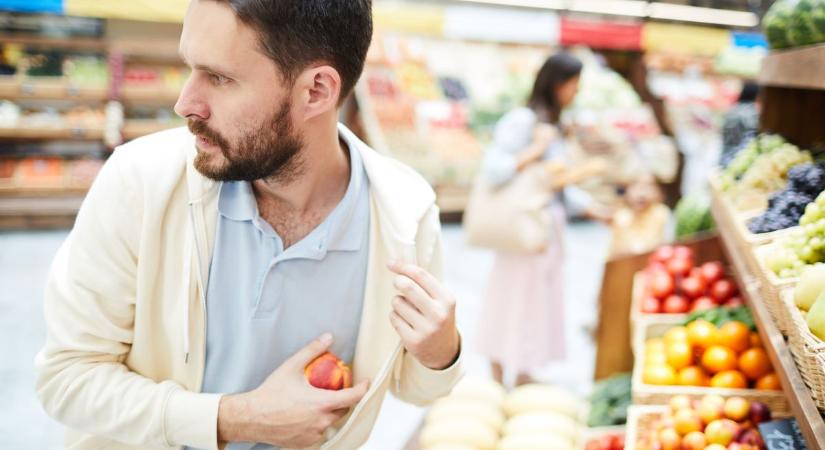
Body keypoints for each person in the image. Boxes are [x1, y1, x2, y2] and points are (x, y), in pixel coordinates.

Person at [34, 2, 463, 450]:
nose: (186, 103)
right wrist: (234, 419)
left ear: (316, 91)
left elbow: (416, 389)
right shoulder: (139, 183)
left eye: (219, 78)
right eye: (190, 69)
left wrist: (442, 352)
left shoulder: (404, 216)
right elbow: (67, 378)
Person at [475, 53, 607, 387]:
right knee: (510, 299)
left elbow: (554, 184)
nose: (576, 92)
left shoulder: (552, 124)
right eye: (574, 84)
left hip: (544, 230)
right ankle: (497, 372)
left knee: (534, 302)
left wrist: (591, 208)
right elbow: (493, 170)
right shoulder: (524, 121)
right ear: (558, 83)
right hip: (522, 228)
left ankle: (522, 373)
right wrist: (534, 150)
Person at [608, 174, 671, 257]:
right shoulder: (620, 217)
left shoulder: (662, 213)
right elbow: (614, 255)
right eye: (635, 186)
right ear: (626, 191)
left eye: (648, 187)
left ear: (658, 192)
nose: (641, 194)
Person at [720, 81, 760, 166]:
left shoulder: (732, 109)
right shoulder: (751, 112)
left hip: (724, 153)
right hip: (739, 158)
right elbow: (752, 135)